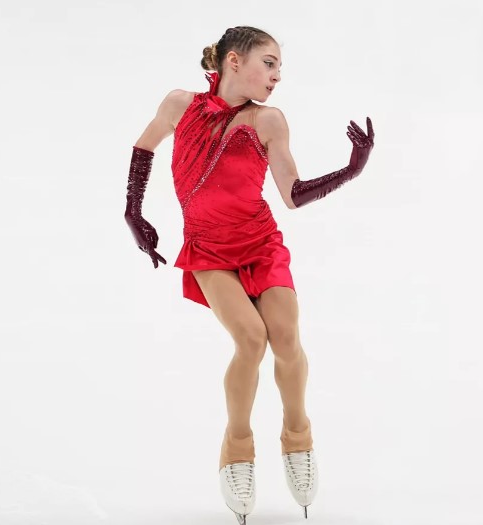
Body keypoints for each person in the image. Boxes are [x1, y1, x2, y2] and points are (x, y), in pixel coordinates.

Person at [123, 25, 375, 523]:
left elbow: (292, 195)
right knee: (251, 338)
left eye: (280, 67)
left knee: (285, 336)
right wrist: (134, 211)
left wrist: (352, 169)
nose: (277, 76)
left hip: (260, 245)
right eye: (270, 63)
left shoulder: (268, 120)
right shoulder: (179, 104)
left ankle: (297, 434)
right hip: (209, 250)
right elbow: (145, 146)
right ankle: (237, 445)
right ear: (234, 61)